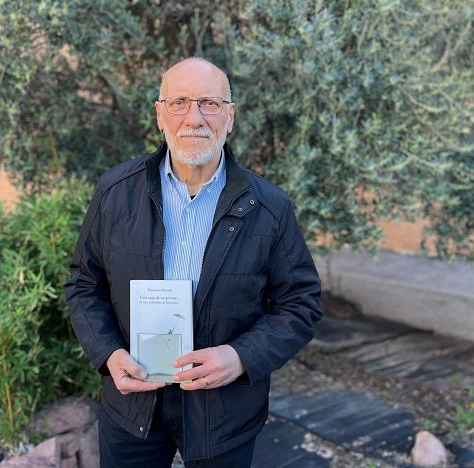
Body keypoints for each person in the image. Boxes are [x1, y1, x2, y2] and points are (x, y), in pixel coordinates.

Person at [65, 56, 323, 468]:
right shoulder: (115, 192)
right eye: (179, 102)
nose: (194, 118)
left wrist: (241, 357)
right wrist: (108, 352)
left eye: (210, 103)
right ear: (160, 114)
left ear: (230, 117)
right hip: (132, 405)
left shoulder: (269, 206)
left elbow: (301, 303)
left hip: (223, 413)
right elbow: (83, 284)